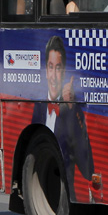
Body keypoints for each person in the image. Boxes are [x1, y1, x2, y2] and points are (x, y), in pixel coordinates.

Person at [31, 35, 94, 184]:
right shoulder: (38, 107)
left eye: (58, 68)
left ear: (64, 73)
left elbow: (87, 170)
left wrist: (71, 109)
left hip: (66, 195)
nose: (53, 76)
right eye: (50, 67)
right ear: (46, 71)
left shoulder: (72, 109)